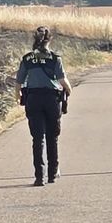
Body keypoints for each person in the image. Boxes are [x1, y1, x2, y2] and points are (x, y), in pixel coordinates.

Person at [16, 26, 71, 186]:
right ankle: (52, 174)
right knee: (52, 138)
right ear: (49, 40)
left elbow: (19, 83)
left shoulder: (27, 59)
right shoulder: (54, 59)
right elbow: (62, 81)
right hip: (51, 99)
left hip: (33, 99)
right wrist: (68, 90)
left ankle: (39, 176)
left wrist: (18, 96)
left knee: (37, 139)